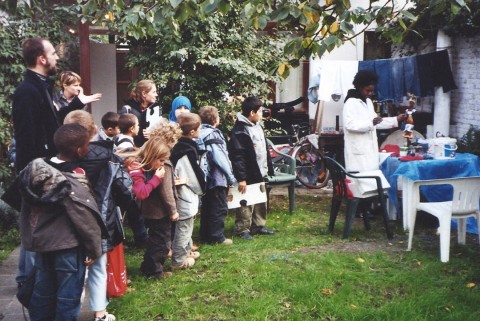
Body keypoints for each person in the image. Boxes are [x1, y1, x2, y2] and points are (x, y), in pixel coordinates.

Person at [18, 123, 107, 320]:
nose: (89, 148)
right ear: (78, 150)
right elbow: (85, 217)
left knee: (43, 294)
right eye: (87, 145)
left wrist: (29, 237)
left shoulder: (35, 170)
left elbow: (24, 209)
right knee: (68, 300)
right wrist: (94, 248)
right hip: (69, 248)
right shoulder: (73, 179)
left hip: (43, 245)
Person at [64, 110, 146, 321]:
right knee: (99, 267)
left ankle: (68, 311)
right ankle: (100, 313)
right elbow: (124, 188)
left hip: (67, 221)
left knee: (70, 269)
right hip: (100, 219)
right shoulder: (109, 157)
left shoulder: (59, 156)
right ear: (92, 130)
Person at [126, 134, 181, 279]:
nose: (163, 164)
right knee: (161, 244)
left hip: (151, 211)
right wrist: (157, 179)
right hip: (157, 213)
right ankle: (155, 272)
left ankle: (147, 267)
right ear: (151, 156)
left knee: (155, 241)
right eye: (161, 160)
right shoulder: (138, 168)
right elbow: (142, 193)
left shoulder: (149, 166)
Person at [227, 96, 274, 240]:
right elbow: (238, 156)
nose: (262, 113)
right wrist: (241, 178)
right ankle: (242, 229)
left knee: (260, 198)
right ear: (252, 113)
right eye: (260, 111)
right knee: (246, 201)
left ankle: (258, 226)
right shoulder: (240, 130)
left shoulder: (257, 125)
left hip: (260, 170)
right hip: (248, 173)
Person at [343, 70, 407, 172]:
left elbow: (376, 123)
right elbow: (349, 125)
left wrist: (396, 119)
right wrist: (370, 123)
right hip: (358, 151)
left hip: (370, 149)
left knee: (371, 179)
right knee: (361, 181)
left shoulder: (368, 102)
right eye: (368, 90)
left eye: (372, 91)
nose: (370, 93)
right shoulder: (350, 102)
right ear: (359, 87)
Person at [170, 113, 206, 269]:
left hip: (185, 193)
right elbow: (192, 176)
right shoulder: (185, 150)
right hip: (184, 193)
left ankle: (186, 251)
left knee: (187, 226)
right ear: (192, 132)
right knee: (184, 227)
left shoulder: (182, 145)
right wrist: (202, 188)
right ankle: (178, 260)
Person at [197, 106, 236, 245]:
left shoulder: (198, 132)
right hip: (217, 177)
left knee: (207, 206)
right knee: (219, 207)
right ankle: (217, 237)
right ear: (215, 120)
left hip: (205, 178)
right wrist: (231, 177)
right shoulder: (213, 134)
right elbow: (220, 157)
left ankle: (205, 234)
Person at [118, 79, 159, 146]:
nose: (156, 94)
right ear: (144, 94)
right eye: (153, 92)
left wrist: (152, 135)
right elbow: (119, 131)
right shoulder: (128, 109)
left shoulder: (154, 110)